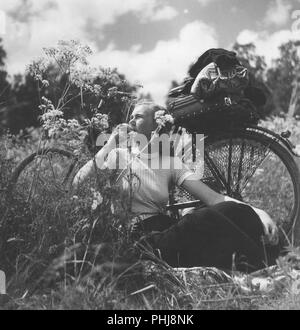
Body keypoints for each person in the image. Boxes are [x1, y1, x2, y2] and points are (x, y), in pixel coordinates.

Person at [72, 101, 279, 272]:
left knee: (233, 209)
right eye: (132, 116)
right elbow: (78, 183)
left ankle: (274, 257)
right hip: (140, 239)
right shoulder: (118, 156)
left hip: (166, 230)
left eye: (139, 116)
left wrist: (259, 212)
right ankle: (265, 267)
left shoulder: (169, 163)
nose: (131, 121)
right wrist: (109, 145)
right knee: (202, 217)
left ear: (157, 124)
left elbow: (214, 198)